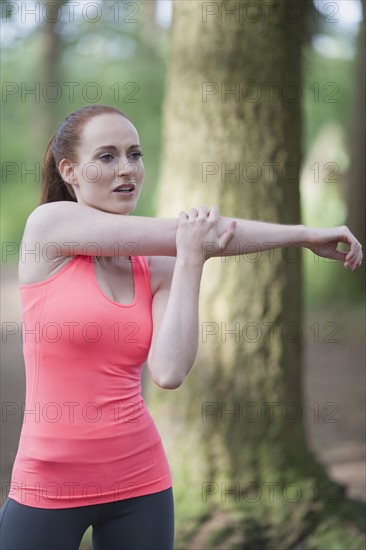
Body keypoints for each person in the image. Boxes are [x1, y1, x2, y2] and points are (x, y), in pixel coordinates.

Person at [0, 104, 362, 550]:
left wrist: (190, 261)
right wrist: (305, 234)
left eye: (135, 154)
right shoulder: (48, 228)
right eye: (108, 156)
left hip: (140, 483)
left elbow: (169, 372)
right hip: (47, 484)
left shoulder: (157, 262)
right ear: (70, 171)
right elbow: (193, 231)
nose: (127, 168)